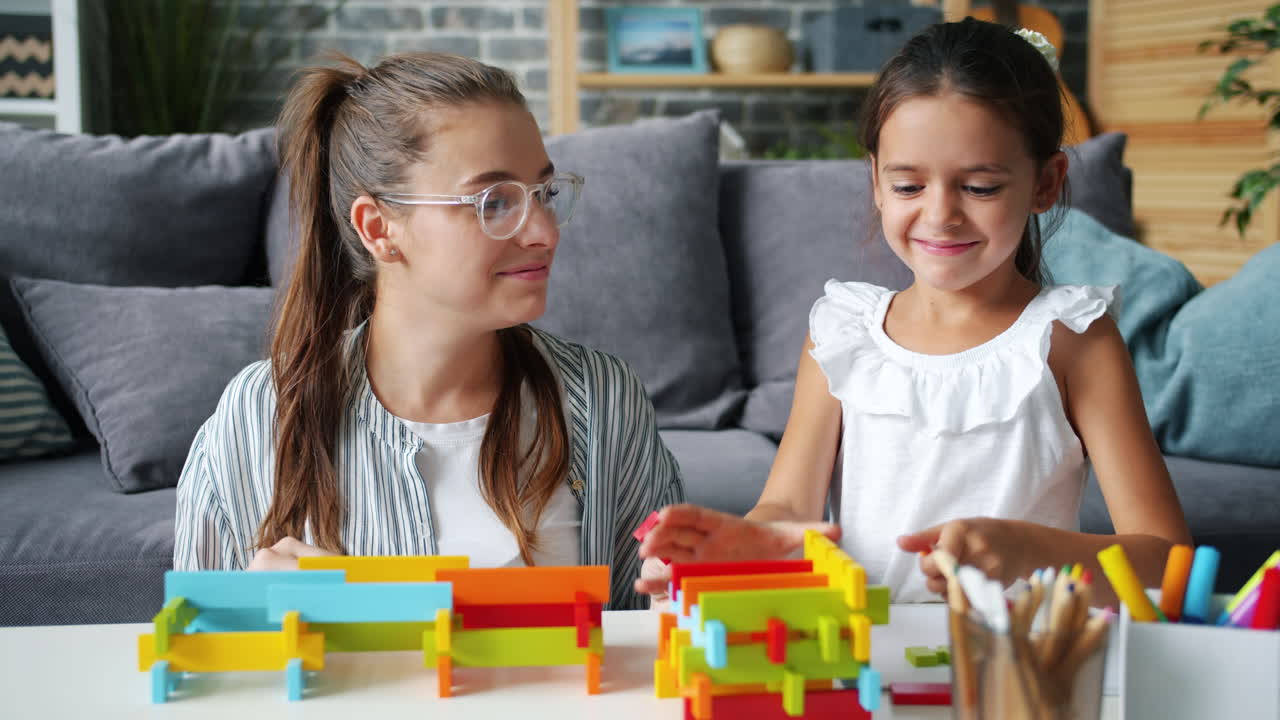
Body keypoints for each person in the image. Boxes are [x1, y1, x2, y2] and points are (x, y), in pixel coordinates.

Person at [636, 19, 1189, 604]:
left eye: (979, 187)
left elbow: (1166, 560)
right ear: (875, 180)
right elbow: (789, 509)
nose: (940, 215)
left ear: (1046, 183)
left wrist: (1032, 549)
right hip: (857, 661)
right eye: (908, 187)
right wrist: (738, 548)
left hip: (1017, 667)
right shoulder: (843, 332)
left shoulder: (1074, 338)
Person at [173, 51, 684, 609]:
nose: (543, 231)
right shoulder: (259, 416)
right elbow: (205, 662)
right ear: (379, 228)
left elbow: (654, 641)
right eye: (494, 202)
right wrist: (257, 615)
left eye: (545, 194)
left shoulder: (604, 400)